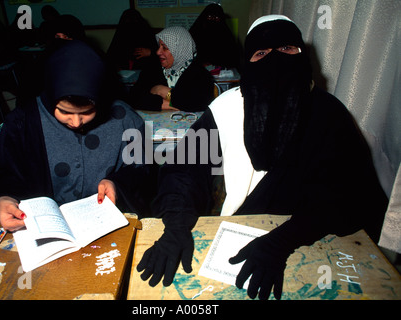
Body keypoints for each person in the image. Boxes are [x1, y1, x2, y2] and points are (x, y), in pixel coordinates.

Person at [136, 15, 388, 300]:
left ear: (302, 56)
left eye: (287, 49)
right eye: (261, 53)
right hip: (236, 235)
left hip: (309, 238)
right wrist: (177, 223)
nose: (276, 61)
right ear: (248, 64)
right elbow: (184, 170)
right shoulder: (227, 108)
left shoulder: (330, 114)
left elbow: (350, 195)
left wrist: (283, 240)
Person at [0, 40, 153, 231]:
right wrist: (3, 198)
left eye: (87, 112)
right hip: (45, 226)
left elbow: (144, 170)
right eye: (65, 112)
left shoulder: (124, 117)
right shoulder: (24, 122)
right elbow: (6, 174)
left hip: (109, 221)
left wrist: (117, 184)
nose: (76, 122)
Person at [128, 26, 215, 112]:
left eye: (164, 47)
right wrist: (165, 104)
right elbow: (133, 98)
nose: (158, 52)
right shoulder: (152, 69)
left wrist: (162, 90)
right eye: (159, 46)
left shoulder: (200, 74)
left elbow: (201, 103)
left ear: (180, 49)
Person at [189, 3, 241, 71]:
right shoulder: (193, 35)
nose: (212, 21)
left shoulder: (227, 38)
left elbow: (233, 61)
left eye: (216, 18)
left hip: (223, 76)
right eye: (210, 17)